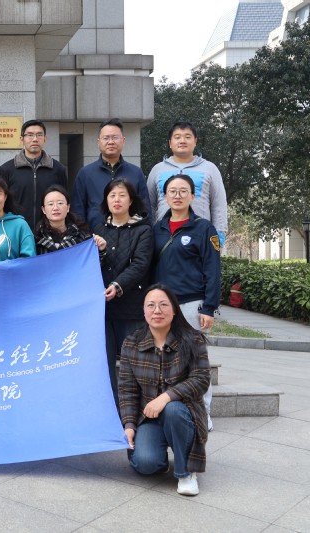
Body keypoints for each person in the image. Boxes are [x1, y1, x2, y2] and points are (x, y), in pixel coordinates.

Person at [119, 283, 210, 497]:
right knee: (145, 464)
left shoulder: (193, 339)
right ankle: (161, 456)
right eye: (151, 305)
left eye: (163, 305)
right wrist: (129, 425)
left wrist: (166, 397)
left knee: (172, 409)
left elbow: (201, 379)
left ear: (174, 309)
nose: (157, 311)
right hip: (148, 418)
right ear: (144, 311)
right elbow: (127, 390)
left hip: (184, 414)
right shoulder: (131, 343)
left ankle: (186, 472)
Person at [153, 173, 221, 431]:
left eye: (183, 191)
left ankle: (203, 412)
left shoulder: (204, 229)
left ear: (193, 196)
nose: (178, 195)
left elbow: (213, 270)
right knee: (165, 360)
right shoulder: (157, 229)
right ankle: (171, 411)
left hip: (193, 304)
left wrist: (209, 306)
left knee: (196, 360)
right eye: (172, 191)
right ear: (165, 196)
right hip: (162, 306)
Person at [93, 178, 153, 407]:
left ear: (131, 200)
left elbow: (140, 265)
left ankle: (139, 411)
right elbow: (93, 265)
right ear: (106, 201)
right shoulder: (99, 230)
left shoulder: (143, 230)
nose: (117, 200)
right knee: (105, 365)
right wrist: (100, 250)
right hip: (104, 310)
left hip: (131, 308)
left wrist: (118, 286)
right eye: (112, 195)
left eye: (122, 195)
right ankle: (112, 412)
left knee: (135, 363)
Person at [148, 120, 228, 245]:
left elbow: (218, 204)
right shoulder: (157, 170)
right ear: (170, 143)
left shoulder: (210, 169)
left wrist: (219, 236)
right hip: (164, 237)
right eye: (177, 137)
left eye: (187, 137)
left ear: (195, 141)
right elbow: (150, 205)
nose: (182, 141)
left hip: (200, 237)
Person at [72, 118, 152, 229]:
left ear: (123, 140)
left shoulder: (136, 172)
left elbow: (145, 210)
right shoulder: (85, 174)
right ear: (98, 141)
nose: (111, 142)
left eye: (115, 137)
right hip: (94, 236)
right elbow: (78, 211)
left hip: (130, 235)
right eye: (106, 138)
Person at [0, 119, 68, 231]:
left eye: (39, 135)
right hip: (16, 230)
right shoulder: (7, 169)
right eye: (30, 135)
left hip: (49, 231)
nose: (35, 139)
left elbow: (64, 201)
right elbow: (2, 203)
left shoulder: (58, 169)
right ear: (22, 139)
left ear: (45, 139)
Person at [34, 185, 95, 255]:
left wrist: (101, 249)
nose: (55, 208)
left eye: (60, 203)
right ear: (43, 210)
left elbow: (93, 258)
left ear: (68, 207)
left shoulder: (83, 235)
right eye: (50, 204)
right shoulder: (36, 238)